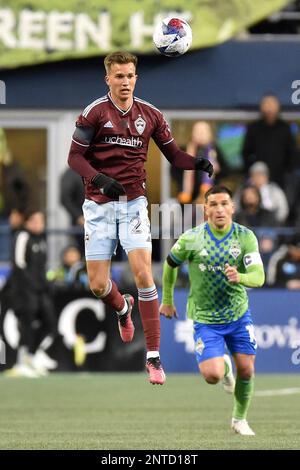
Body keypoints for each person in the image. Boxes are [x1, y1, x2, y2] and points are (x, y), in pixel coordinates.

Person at [67, 51, 213, 385]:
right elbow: (74, 157)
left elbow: (173, 155)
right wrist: (100, 179)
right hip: (99, 205)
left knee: (144, 273)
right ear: (108, 79)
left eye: (130, 75)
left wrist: (197, 163)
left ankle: (153, 356)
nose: (125, 81)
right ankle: (122, 307)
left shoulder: (151, 115)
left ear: (136, 77)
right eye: (119, 76)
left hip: (134, 205)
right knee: (98, 285)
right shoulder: (93, 114)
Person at [160, 186, 265, 435]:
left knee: (248, 369)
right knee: (212, 375)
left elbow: (259, 277)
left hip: (238, 315)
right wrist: (167, 299)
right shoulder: (191, 238)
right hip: (206, 319)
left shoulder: (245, 237)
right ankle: (225, 367)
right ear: (205, 209)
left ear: (232, 207)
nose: (219, 209)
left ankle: (239, 419)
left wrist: (240, 276)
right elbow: (170, 264)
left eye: (224, 204)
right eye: (214, 204)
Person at [5, 210, 58, 377]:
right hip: (23, 290)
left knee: (50, 322)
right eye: (34, 221)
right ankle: (20, 363)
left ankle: (32, 356)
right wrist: (31, 285)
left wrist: (45, 284)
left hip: (39, 290)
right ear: (27, 222)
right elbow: (19, 264)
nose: (38, 224)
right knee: (26, 324)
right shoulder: (22, 236)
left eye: (41, 221)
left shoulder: (42, 240)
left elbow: (42, 268)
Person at [242, 94, 296, 188]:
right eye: (266, 104)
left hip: (281, 177)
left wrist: (287, 171)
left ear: (278, 107)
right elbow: (246, 152)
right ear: (261, 107)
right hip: (258, 178)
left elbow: (292, 152)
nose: (269, 108)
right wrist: (252, 171)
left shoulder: (285, 128)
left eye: (272, 104)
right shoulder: (254, 128)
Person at [178, 121, 228, 204]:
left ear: (209, 134)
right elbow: (174, 171)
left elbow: (226, 171)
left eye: (204, 131)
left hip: (210, 196)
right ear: (192, 134)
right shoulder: (184, 150)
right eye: (198, 131)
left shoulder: (215, 150)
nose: (201, 134)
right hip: (188, 197)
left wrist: (218, 169)